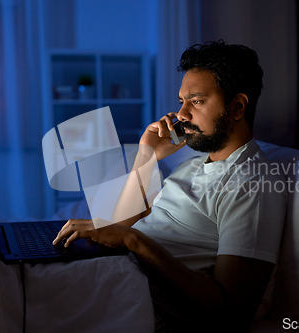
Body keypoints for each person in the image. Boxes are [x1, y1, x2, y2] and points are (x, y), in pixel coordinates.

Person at [53, 40, 287, 332]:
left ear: (237, 106)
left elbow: (230, 314)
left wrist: (133, 241)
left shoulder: (251, 183)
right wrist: (146, 156)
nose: (182, 115)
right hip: (113, 277)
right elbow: (116, 223)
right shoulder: (193, 164)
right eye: (181, 101)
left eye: (197, 101)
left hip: (144, 306)